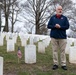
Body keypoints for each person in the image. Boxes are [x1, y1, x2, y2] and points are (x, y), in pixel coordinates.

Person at [47, 5, 69, 70]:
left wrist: (60, 27)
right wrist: (54, 26)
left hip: (62, 37)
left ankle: (63, 64)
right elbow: (48, 26)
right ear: (56, 10)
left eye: (61, 9)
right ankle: (55, 64)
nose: (60, 10)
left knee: (62, 51)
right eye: (59, 9)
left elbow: (67, 26)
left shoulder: (65, 18)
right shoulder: (52, 18)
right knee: (55, 51)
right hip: (54, 37)